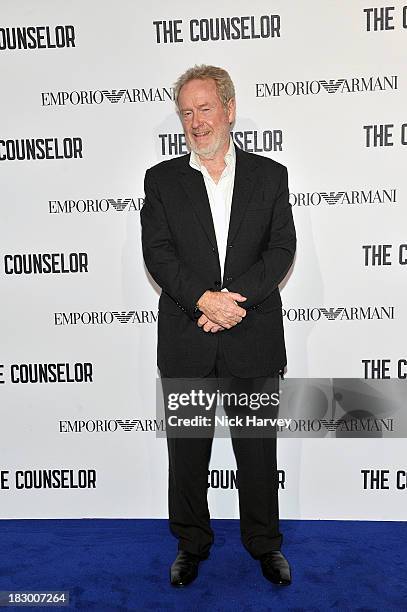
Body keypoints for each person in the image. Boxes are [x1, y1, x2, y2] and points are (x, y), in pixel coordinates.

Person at [140, 65, 296, 587]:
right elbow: (158, 255)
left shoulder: (270, 175)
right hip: (187, 340)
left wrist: (236, 303)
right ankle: (191, 542)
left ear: (229, 110)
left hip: (252, 339)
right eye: (186, 112)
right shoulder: (160, 180)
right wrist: (203, 300)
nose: (195, 121)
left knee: (257, 453)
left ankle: (265, 544)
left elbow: (281, 250)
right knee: (187, 457)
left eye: (205, 109)